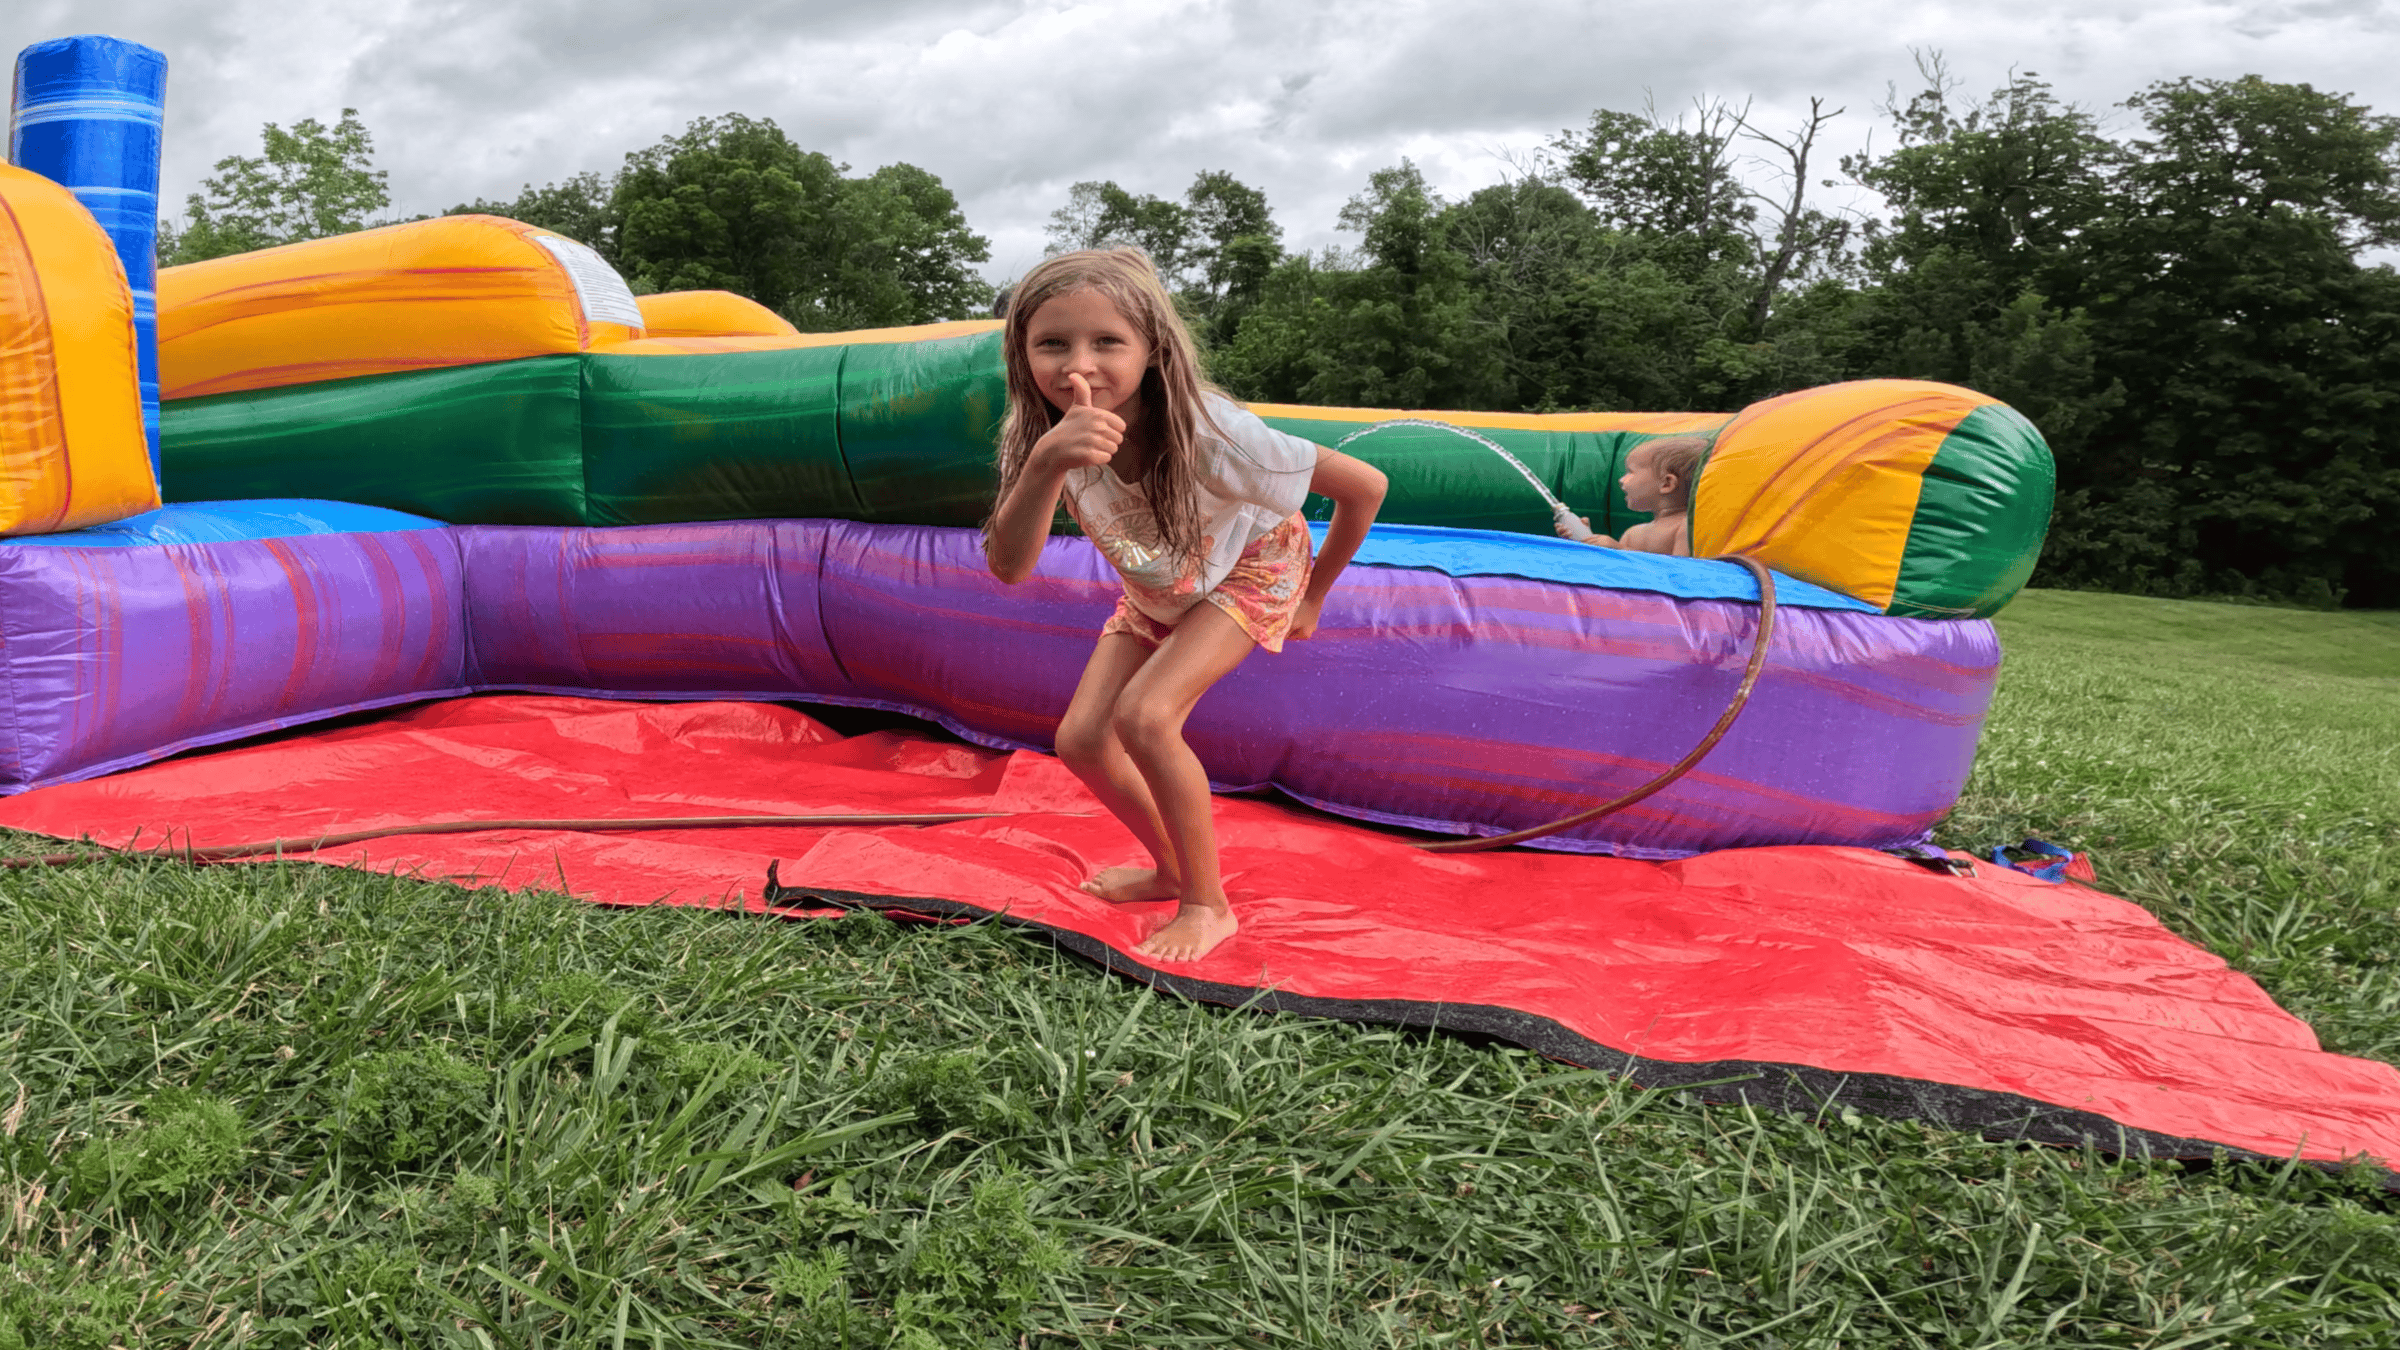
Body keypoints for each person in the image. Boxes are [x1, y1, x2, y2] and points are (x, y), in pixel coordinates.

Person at [982, 249, 1388, 963]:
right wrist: (1049, 460)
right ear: (1022, 353)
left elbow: (1365, 485)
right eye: (1052, 342)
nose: (1080, 364)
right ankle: (1168, 869)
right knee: (1081, 738)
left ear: (1152, 350)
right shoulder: (1038, 435)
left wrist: (1314, 594)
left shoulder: (1215, 436)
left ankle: (1208, 903)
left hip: (1253, 566)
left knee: (1146, 715)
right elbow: (1010, 568)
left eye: (1107, 342)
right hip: (1163, 580)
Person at [1555, 435, 1707, 555]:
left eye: (1630, 472)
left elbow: (1683, 574)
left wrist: (1620, 550)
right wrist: (1585, 540)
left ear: (1666, 484)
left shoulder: (1687, 527)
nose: (1621, 480)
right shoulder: (1632, 534)